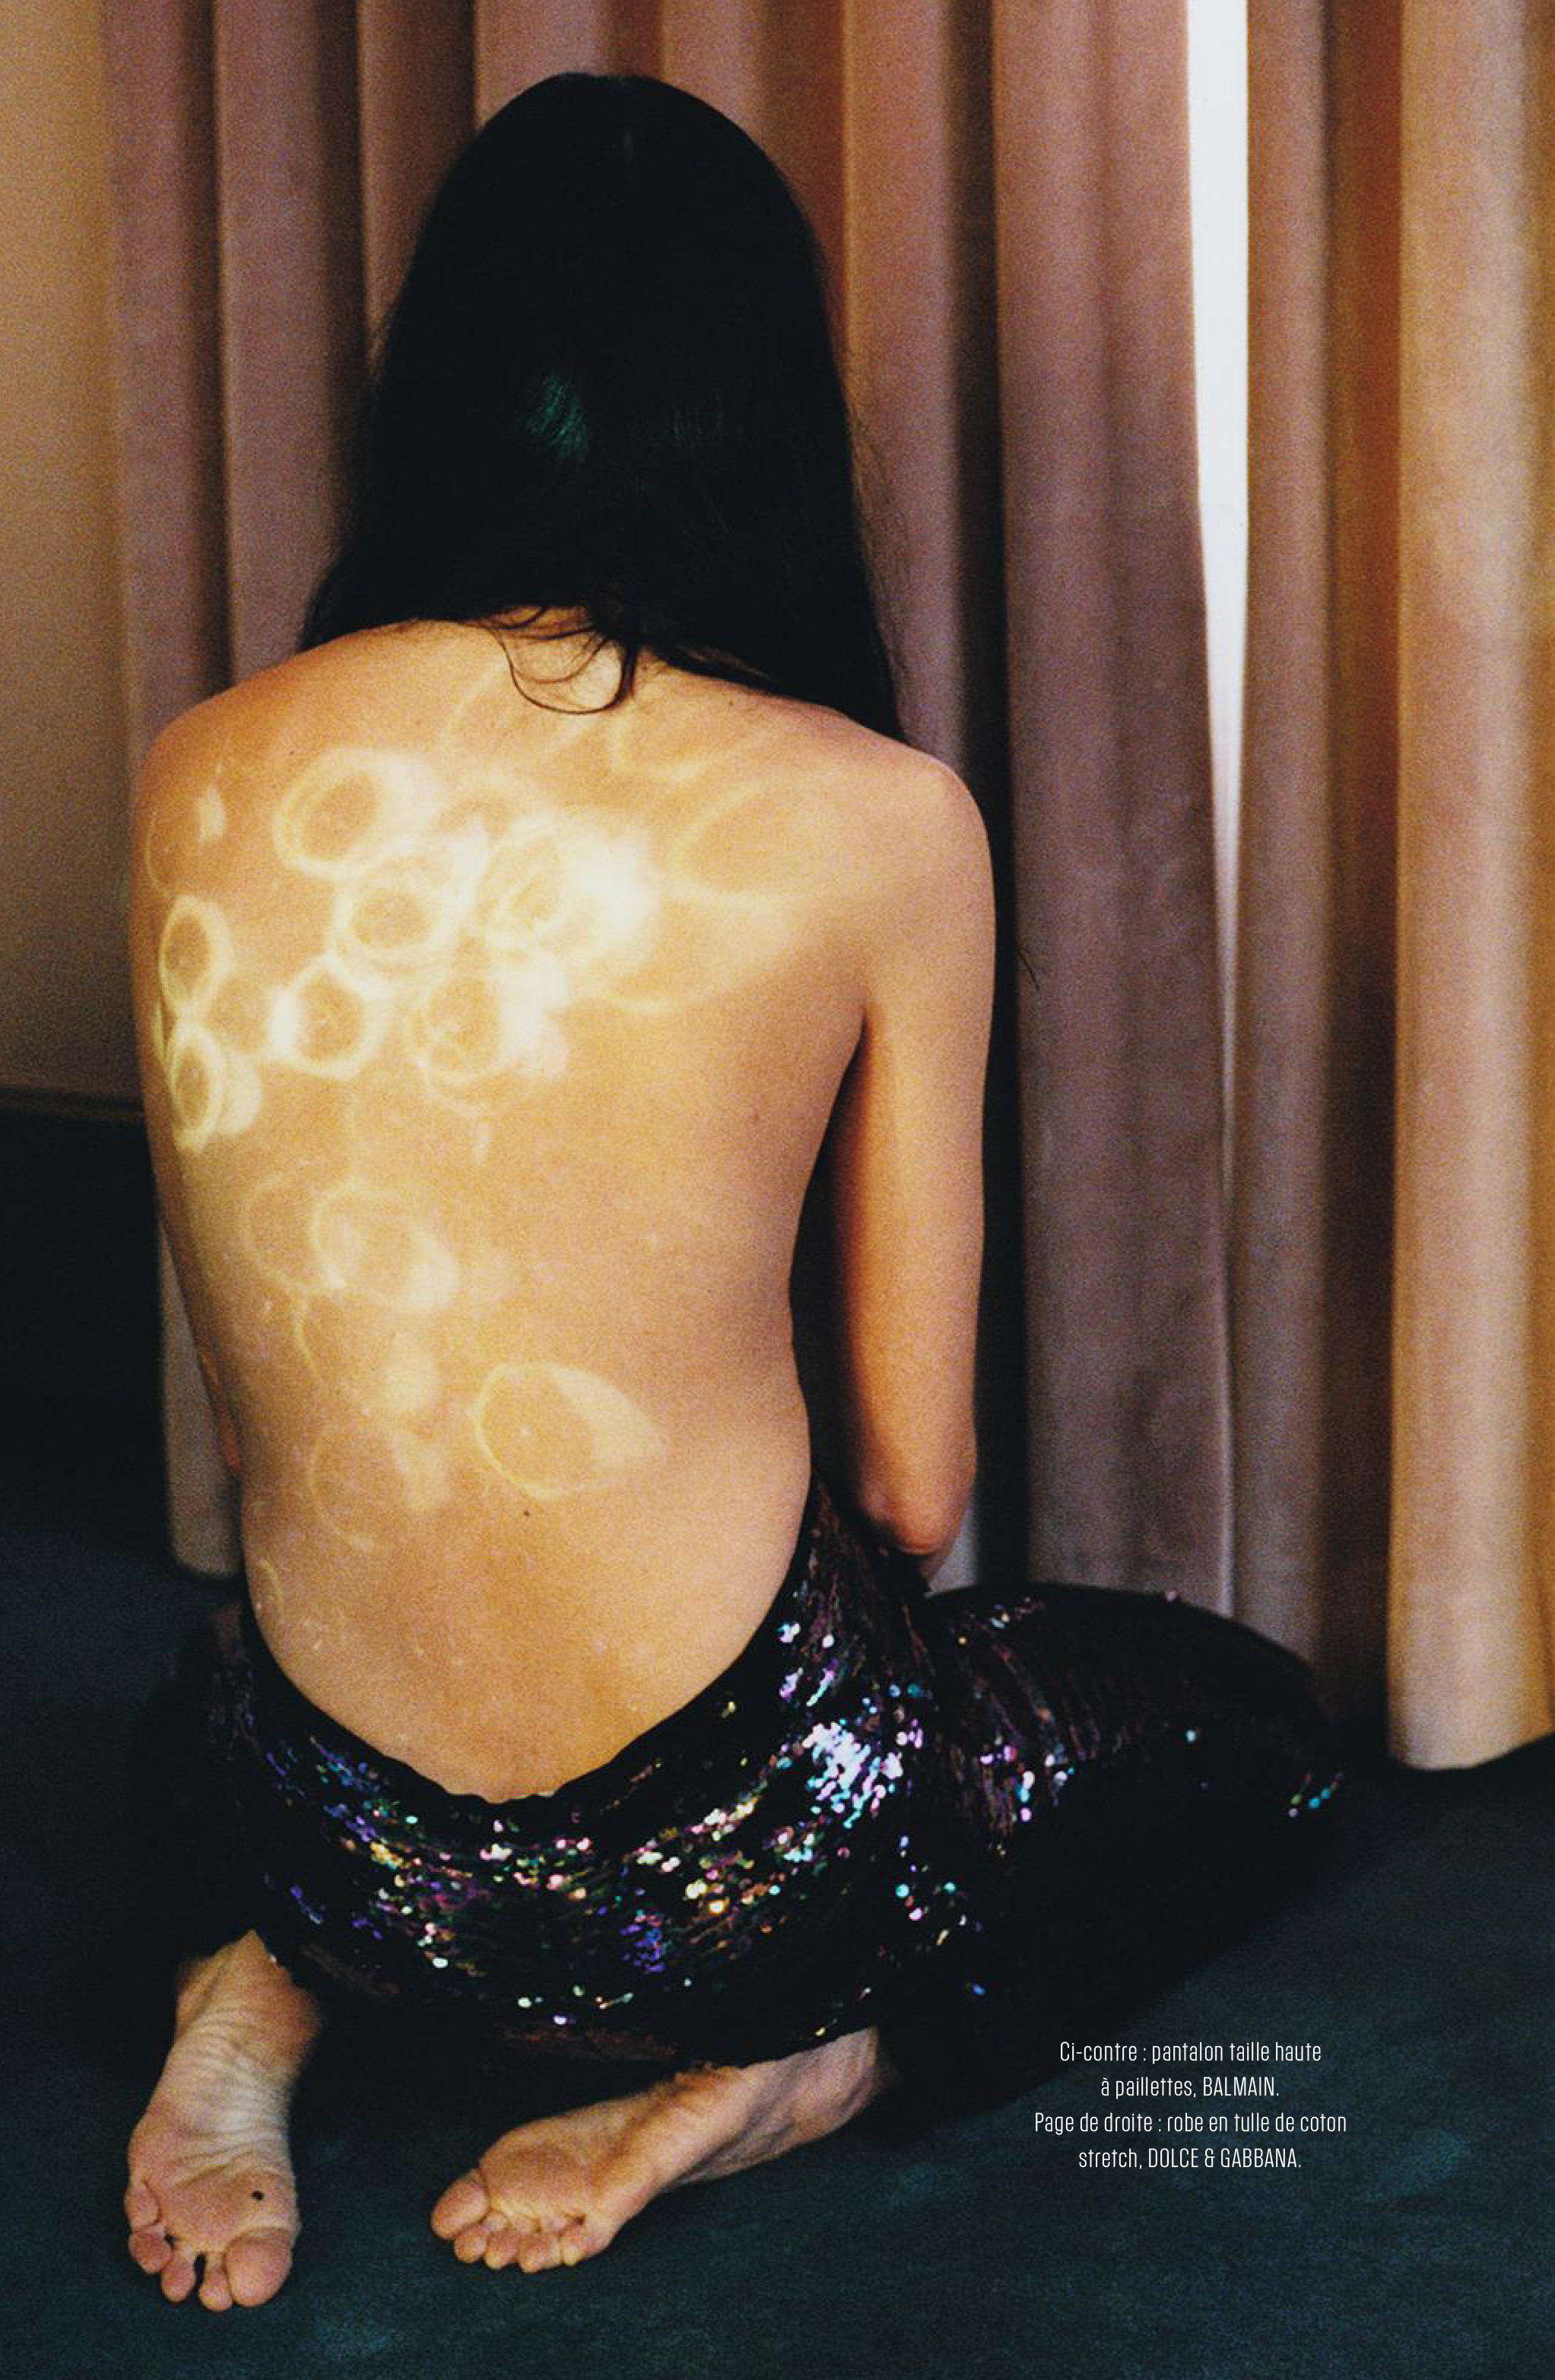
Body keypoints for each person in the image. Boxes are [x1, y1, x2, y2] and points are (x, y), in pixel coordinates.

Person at [118, 72, 1344, 2309]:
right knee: (1240, 1734)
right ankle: (803, 2060)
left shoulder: (200, 767)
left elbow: (261, 1409)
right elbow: (911, 1481)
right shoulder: (880, 819)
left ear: (440, 388)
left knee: (208, 1716)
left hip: (320, 1812)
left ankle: (266, 1976)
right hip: (738, 1863)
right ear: (761, 413)